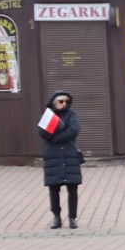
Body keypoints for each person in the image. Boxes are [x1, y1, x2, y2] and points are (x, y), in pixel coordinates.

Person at [38, 90, 82, 229]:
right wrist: (61, 131)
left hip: (69, 155)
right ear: (53, 102)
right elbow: (43, 132)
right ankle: (56, 217)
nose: (64, 104)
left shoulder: (72, 115)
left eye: (66, 101)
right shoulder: (47, 116)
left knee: (72, 189)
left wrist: (56, 137)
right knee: (53, 189)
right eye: (60, 101)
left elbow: (74, 130)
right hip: (53, 156)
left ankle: (72, 218)